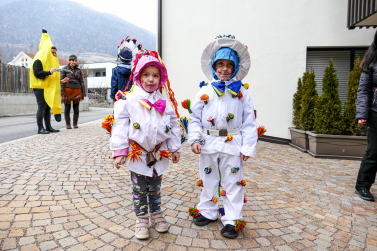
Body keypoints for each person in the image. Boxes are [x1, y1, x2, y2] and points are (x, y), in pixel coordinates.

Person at [187, 35, 257, 239]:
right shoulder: (204, 91)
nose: (225, 68)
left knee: (233, 181)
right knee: (208, 177)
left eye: (229, 64)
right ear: (213, 66)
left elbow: (250, 122)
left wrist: (248, 147)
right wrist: (195, 139)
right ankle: (208, 211)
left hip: (233, 143)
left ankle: (232, 219)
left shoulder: (242, 93)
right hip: (208, 143)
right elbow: (194, 118)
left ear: (235, 67)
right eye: (220, 64)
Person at [110, 50, 181, 239]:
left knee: (155, 188)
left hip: (158, 154)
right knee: (139, 189)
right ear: (138, 76)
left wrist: (174, 147)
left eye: (155, 75)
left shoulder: (165, 101)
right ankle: (141, 218)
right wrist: (119, 151)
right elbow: (120, 126)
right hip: (137, 154)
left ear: (161, 78)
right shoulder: (129, 100)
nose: (151, 79)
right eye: (146, 75)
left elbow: (174, 125)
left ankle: (156, 214)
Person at [355, 30, 377, 201]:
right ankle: (362, 186)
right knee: (374, 152)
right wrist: (362, 113)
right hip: (375, 113)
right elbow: (363, 90)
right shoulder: (372, 61)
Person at [30, 29, 64, 134]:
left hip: (47, 86)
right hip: (39, 87)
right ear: (47, 51)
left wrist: (60, 81)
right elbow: (37, 73)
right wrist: (49, 72)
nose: (54, 55)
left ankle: (48, 127)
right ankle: (40, 128)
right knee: (42, 107)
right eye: (52, 53)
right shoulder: (38, 60)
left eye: (55, 53)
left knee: (48, 107)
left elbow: (50, 75)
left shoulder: (48, 61)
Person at [110, 37, 142, 101]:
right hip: (132, 98)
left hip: (119, 97)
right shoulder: (133, 70)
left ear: (120, 58)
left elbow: (114, 85)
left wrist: (113, 96)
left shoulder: (116, 70)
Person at [60, 55, 86, 129]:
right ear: (69, 61)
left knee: (76, 108)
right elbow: (61, 81)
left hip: (77, 90)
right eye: (72, 61)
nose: (74, 62)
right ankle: (68, 124)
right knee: (67, 108)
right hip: (67, 90)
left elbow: (82, 81)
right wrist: (62, 92)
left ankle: (75, 123)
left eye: (75, 61)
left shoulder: (79, 70)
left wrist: (83, 92)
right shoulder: (64, 69)